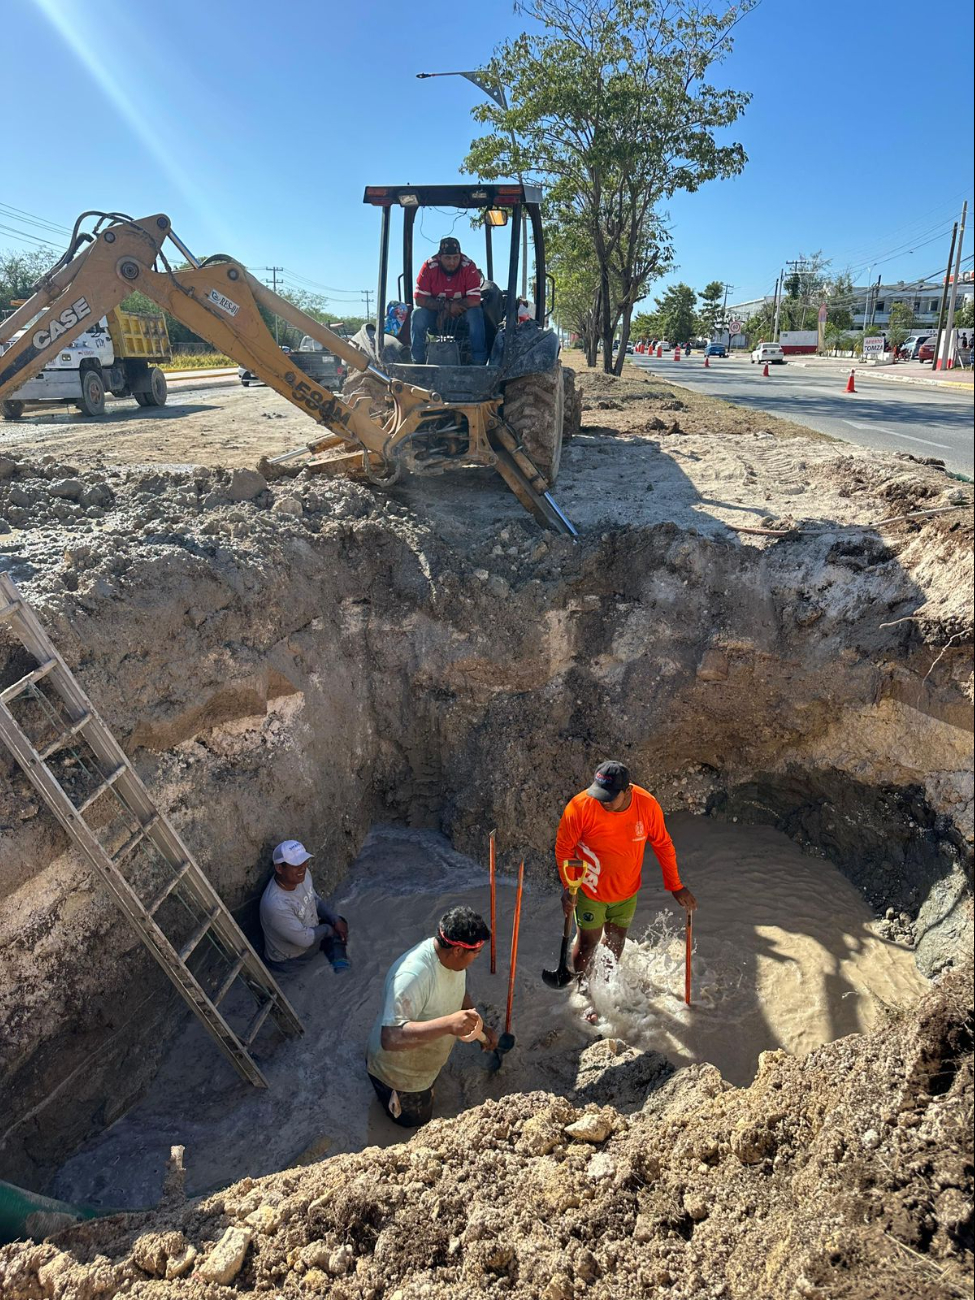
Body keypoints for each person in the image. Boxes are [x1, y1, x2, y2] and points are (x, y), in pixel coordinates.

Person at [554, 761, 697, 981]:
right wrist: (567, 886)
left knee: (616, 940)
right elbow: (564, 848)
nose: (603, 802)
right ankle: (583, 988)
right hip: (589, 890)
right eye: (599, 795)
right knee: (588, 942)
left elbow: (663, 845)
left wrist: (675, 886)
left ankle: (606, 985)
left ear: (628, 790)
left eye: (609, 797)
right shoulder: (580, 807)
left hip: (626, 891)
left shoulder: (647, 805)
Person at [366, 906, 497, 1128]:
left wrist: (480, 1025)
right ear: (457, 950)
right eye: (476, 954)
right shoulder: (413, 975)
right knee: (416, 1122)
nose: (476, 958)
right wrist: (448, 1025)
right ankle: (388, 1094)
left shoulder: (452, 960)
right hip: (398, 1072)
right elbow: (390, 1038)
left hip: (424, 1061)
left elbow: (459, 989)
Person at [259, 839, 349, 974]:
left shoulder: (302, 875)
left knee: (340, 923)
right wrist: (328, 930)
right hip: (291, 960)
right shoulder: (275, 904)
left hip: (309, 933)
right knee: (332, 932)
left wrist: (334, 919)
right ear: (279, 868)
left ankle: (341, 967)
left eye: (304, 861)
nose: (303, 867)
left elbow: (314, 899)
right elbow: (304, 939)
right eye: (296, 864)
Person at [411, 236, 486, 364]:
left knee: (476, 313)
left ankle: (479, 362)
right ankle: (417, 362)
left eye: (455, 258)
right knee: (417, 314)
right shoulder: (429, 267)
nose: (452, 262)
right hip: (436, 314)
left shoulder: (468, 266)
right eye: (447, 258)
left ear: (460, 256)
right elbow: (419, 299)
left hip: (462, 314)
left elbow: (474, 300)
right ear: (439, 257)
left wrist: (448, 311)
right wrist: (446, 306)